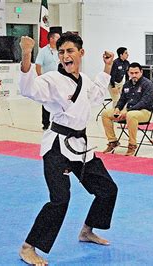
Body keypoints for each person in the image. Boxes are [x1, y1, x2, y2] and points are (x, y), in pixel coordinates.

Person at [18, 33, 118, 265]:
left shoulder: (82, 78)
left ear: (81, 53)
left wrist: (107, 66)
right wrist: (26, 54)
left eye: (70, 51)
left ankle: (86, 231)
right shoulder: (52, 80)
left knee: (107, 189)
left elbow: (95, 96)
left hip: (80, 147)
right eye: (61, 52)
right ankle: (28, 247)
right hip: (57, 147)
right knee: (60, 199)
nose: (65, 56)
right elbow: (28, 88)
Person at [101, 62, 153, 156]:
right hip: (129, 111)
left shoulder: (148, 84)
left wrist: (127, 111)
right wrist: (118, 108)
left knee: (131, 115)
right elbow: (122, 100)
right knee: (105, 113)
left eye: (136, 73)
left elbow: (144, 102)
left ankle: (132, 144)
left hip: (144, 112)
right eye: (131, 73)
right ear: (128, 73)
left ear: (141, 72)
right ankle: (113, 141)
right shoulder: (126, 85)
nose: (134, 75)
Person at [35, 31, 61, 130]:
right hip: (47, 80)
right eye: (57, 38)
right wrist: (40, 78)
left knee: (59, 100)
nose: (59, 40)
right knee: (46, 101)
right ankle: (45, 123)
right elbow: (38, 65)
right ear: (51, 39)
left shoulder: (60, 50)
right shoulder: (43, 51)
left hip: (59, 80)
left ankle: (58, 121)